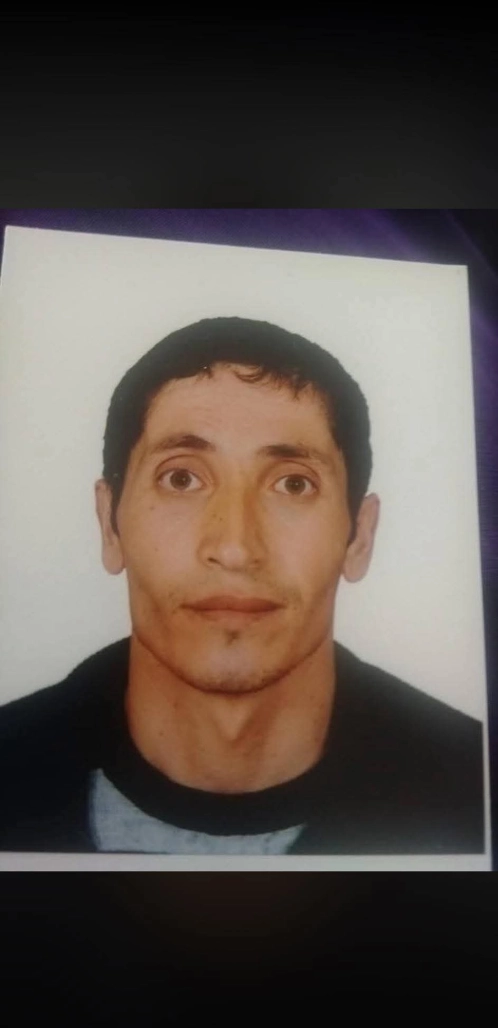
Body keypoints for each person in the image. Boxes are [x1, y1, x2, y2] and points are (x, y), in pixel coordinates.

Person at [0, 317, 485, 854]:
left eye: (293, 484)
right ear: (109, 525)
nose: (234, 548)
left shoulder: (473, 788)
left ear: (359, 538)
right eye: (181, 478)